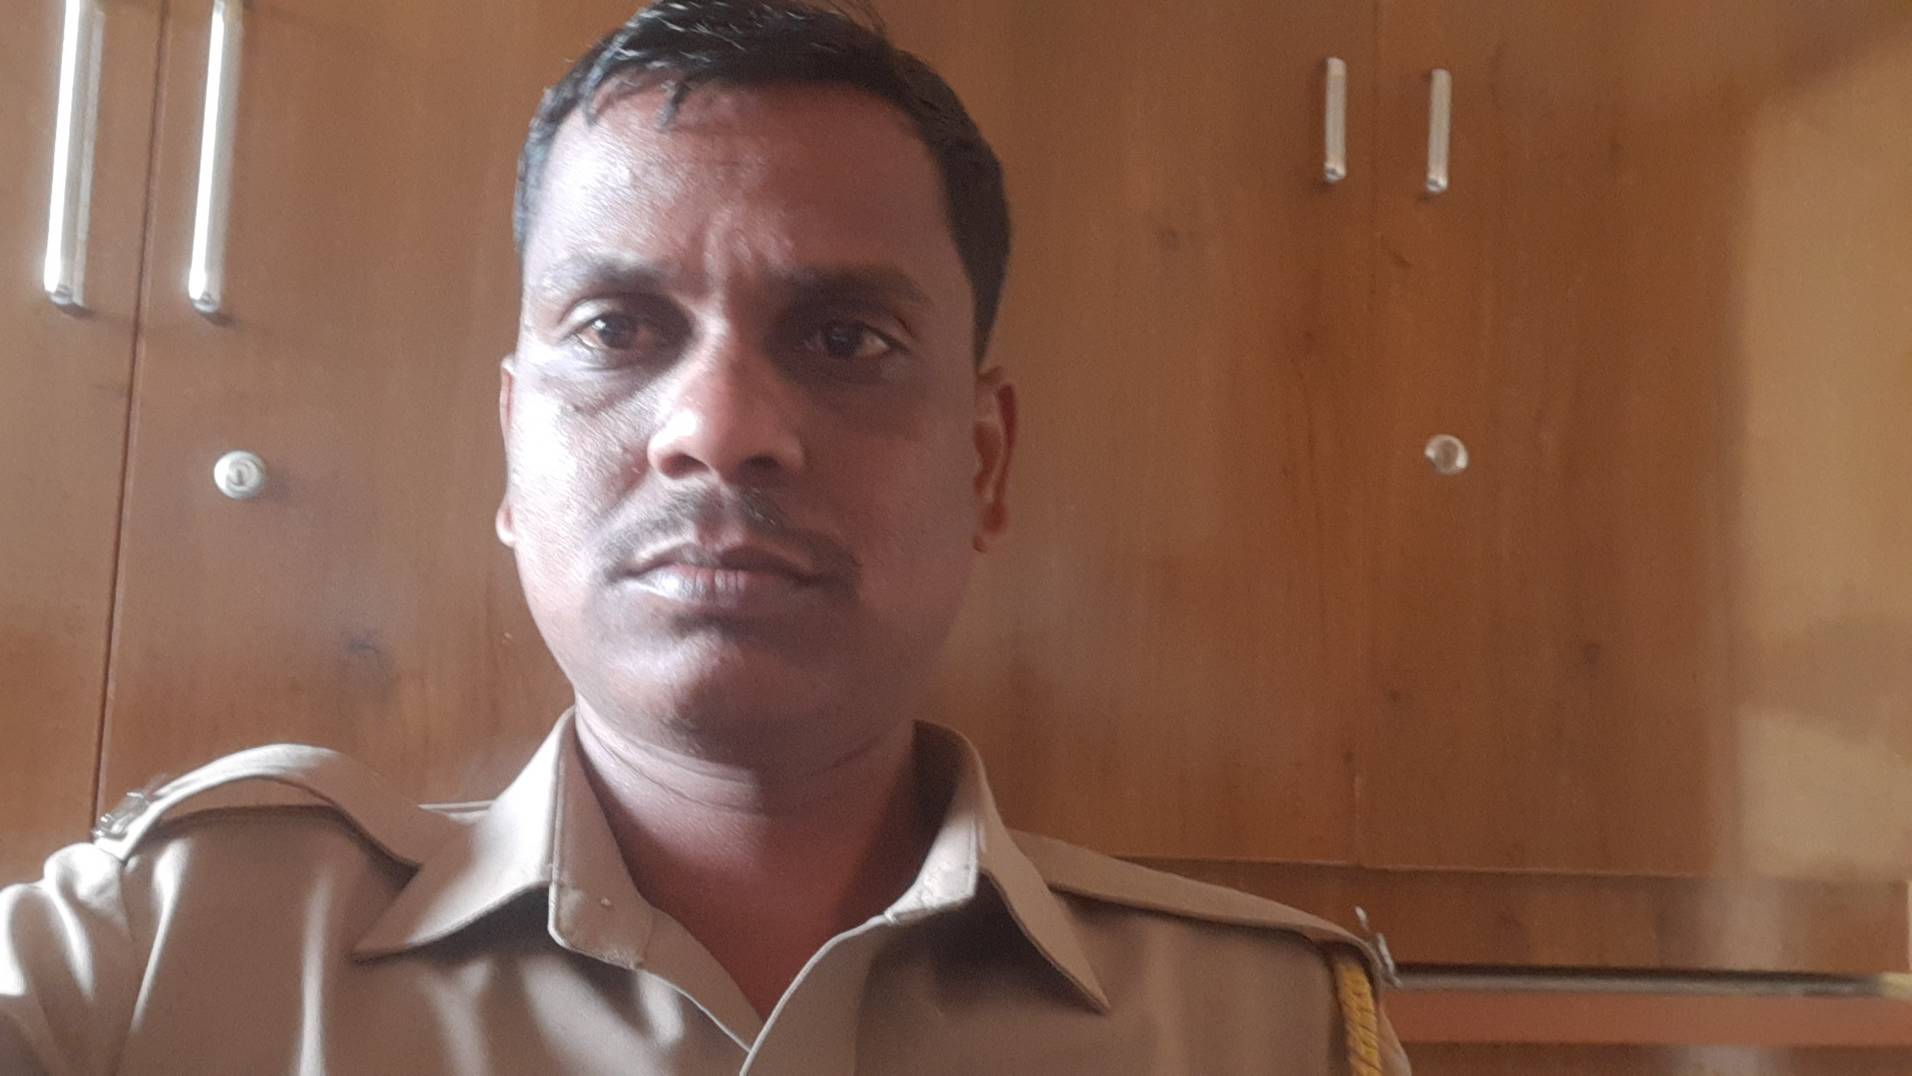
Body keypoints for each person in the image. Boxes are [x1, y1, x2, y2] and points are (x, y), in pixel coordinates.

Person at [0, 1, 1410, 1071]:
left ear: (983, 464)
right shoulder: (153, 960)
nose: (719, 428)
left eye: (845, 338)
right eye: (618, 330)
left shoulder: (1266, 1029)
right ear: (514, 449)